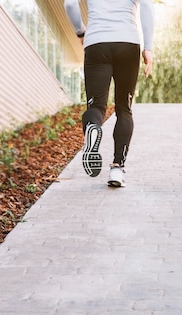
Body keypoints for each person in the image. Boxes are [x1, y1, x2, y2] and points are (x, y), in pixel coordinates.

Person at [64, 0, 154, 187]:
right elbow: (147, 6)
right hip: (128, 42)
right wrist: (149, 47)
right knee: (124, 108)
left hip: (97, 41)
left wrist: (81, 31)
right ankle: (117, 169)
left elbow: (70, 4)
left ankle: (92, 127)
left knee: (96, 106)